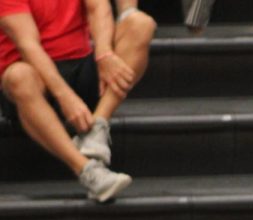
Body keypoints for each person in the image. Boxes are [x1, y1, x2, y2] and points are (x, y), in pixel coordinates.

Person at [0, 0, 155, 201]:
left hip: (79, 67)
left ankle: (96, 130)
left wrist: (104, 53)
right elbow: (28, 44)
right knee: (19, 77)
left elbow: (98, 7)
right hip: (34, 79)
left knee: (140, 25)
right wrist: (65, 96)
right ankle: (87, 170)